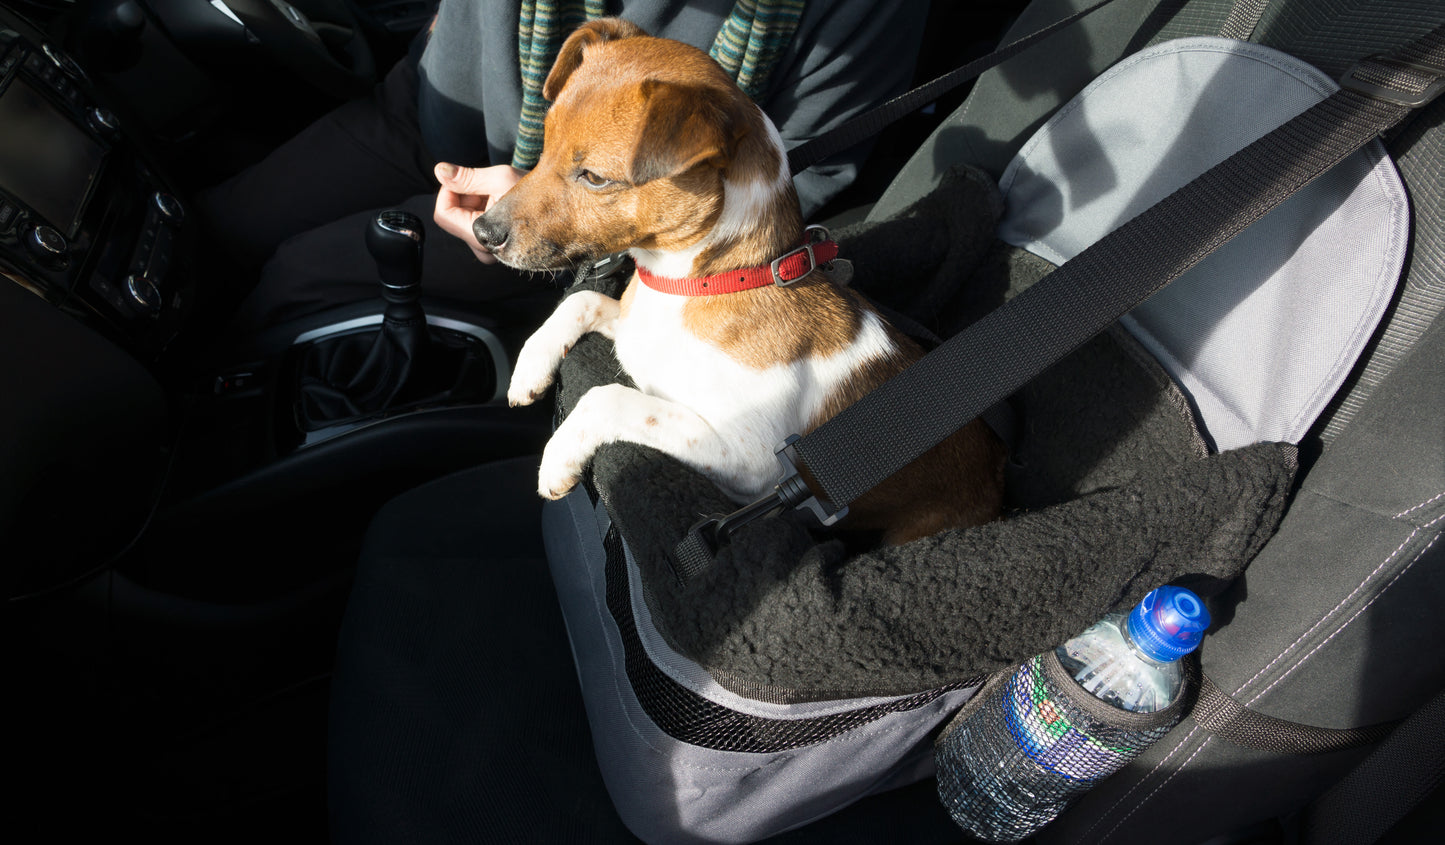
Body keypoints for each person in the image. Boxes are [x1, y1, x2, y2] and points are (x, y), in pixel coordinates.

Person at [198, 0, 932, 357]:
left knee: (291, 280)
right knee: (217, 230)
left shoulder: (858, 11)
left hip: (569, 226)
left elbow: (795, 178)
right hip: (426, 106)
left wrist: (554, 198)